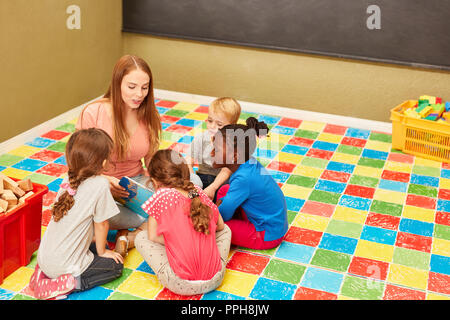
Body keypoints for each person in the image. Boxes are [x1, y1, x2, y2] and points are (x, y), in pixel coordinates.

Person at [30, 128, 123, 300]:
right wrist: (102, 252)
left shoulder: (69, 178)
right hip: (64, 267)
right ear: (102, 162)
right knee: (114, 265)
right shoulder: (101, 184)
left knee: (97, 245)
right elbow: (102, 224)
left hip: (45, 260)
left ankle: (42, 275)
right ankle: (66, 283)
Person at [135, 149, 232, 296]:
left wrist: (177, 241)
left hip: (180, 284)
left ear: (155, 181)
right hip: (215, 278)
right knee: (226, 231)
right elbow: (220, 226)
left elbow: (154, 237)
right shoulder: (197, 192)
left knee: (141, 238)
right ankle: (212, 261)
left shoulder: (161, 194)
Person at [212, 117, 288, 250]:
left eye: (216, 150)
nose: (211, 152)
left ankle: (235, 227)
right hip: (273, 224)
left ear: (234, 156)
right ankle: (237, 220)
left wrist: (214, 213)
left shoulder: (243, 178)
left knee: (219, 228)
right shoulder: (248, 163)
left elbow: (222, 216)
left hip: (267, 234)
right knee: (225, 189)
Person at [187, 97, 241, 201]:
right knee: (188, 196)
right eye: (210, 121)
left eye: (219, 124)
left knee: (227, 197)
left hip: (223, 181)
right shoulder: (201, 138)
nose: (212, 126)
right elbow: (189, 161)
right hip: (202, 177)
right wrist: (193, 180)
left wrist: (213, 187)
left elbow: (226, 171)